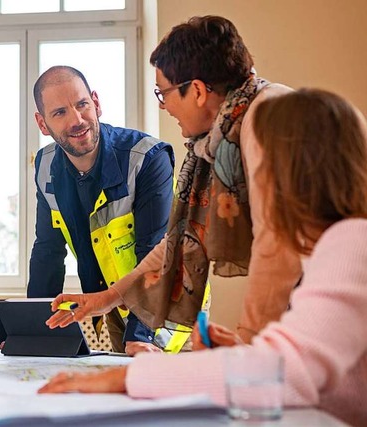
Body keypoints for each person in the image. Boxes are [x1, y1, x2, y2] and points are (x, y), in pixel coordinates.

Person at [39, 88, 367, 426]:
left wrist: (125, 379)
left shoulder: (353, 245)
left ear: (293, 173)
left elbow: (287, 374)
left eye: (251, 168)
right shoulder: (329, 246)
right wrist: (241, 355)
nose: (238, 186)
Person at [46, 15, 302, 349]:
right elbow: (178, 242)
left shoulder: (267, 119)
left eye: (163, 93)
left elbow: (280, 250)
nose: (163, 106)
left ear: (196, 90)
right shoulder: (224, 138)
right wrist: (107, 298)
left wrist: (250, 343)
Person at [28, 66, 177, 354]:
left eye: (82, 105)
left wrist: (141, 336)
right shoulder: (45, 166)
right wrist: (33, 333)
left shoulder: (146, 157)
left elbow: (155, 253)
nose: (77, 120)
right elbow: (48, 251)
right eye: (59, 112)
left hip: (169, 309)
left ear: (96, 103)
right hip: (113, 309)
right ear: (42, 123)